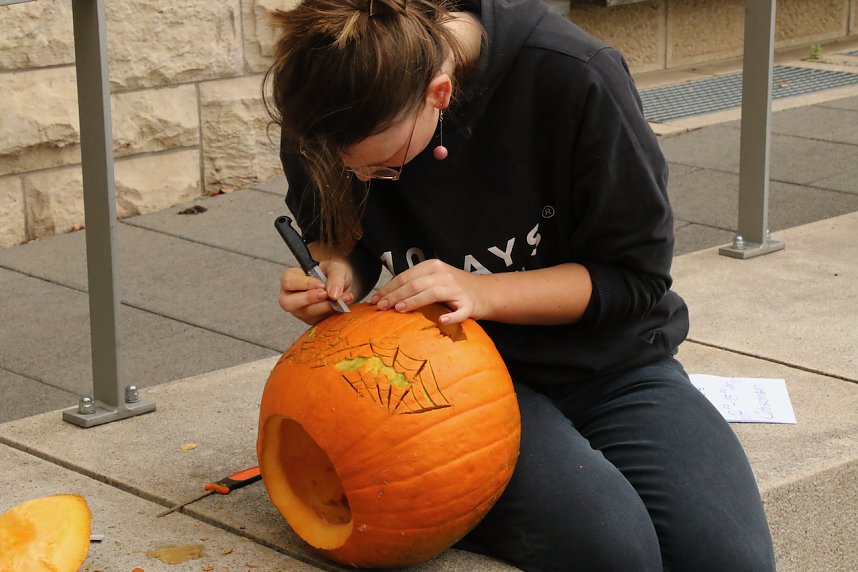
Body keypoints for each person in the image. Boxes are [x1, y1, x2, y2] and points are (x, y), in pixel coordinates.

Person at [265, 0, 777, 570]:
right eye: (349, 170)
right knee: (612, 551)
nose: (362, 180)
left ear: (440, 93)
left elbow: (634, 278)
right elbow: (342, 237)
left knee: (730, 560)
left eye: (384, 166)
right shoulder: (325, 101)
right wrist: (338, 274)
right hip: (449, 379)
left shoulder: (574, 75)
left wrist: (483, 292)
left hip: (614, 365)